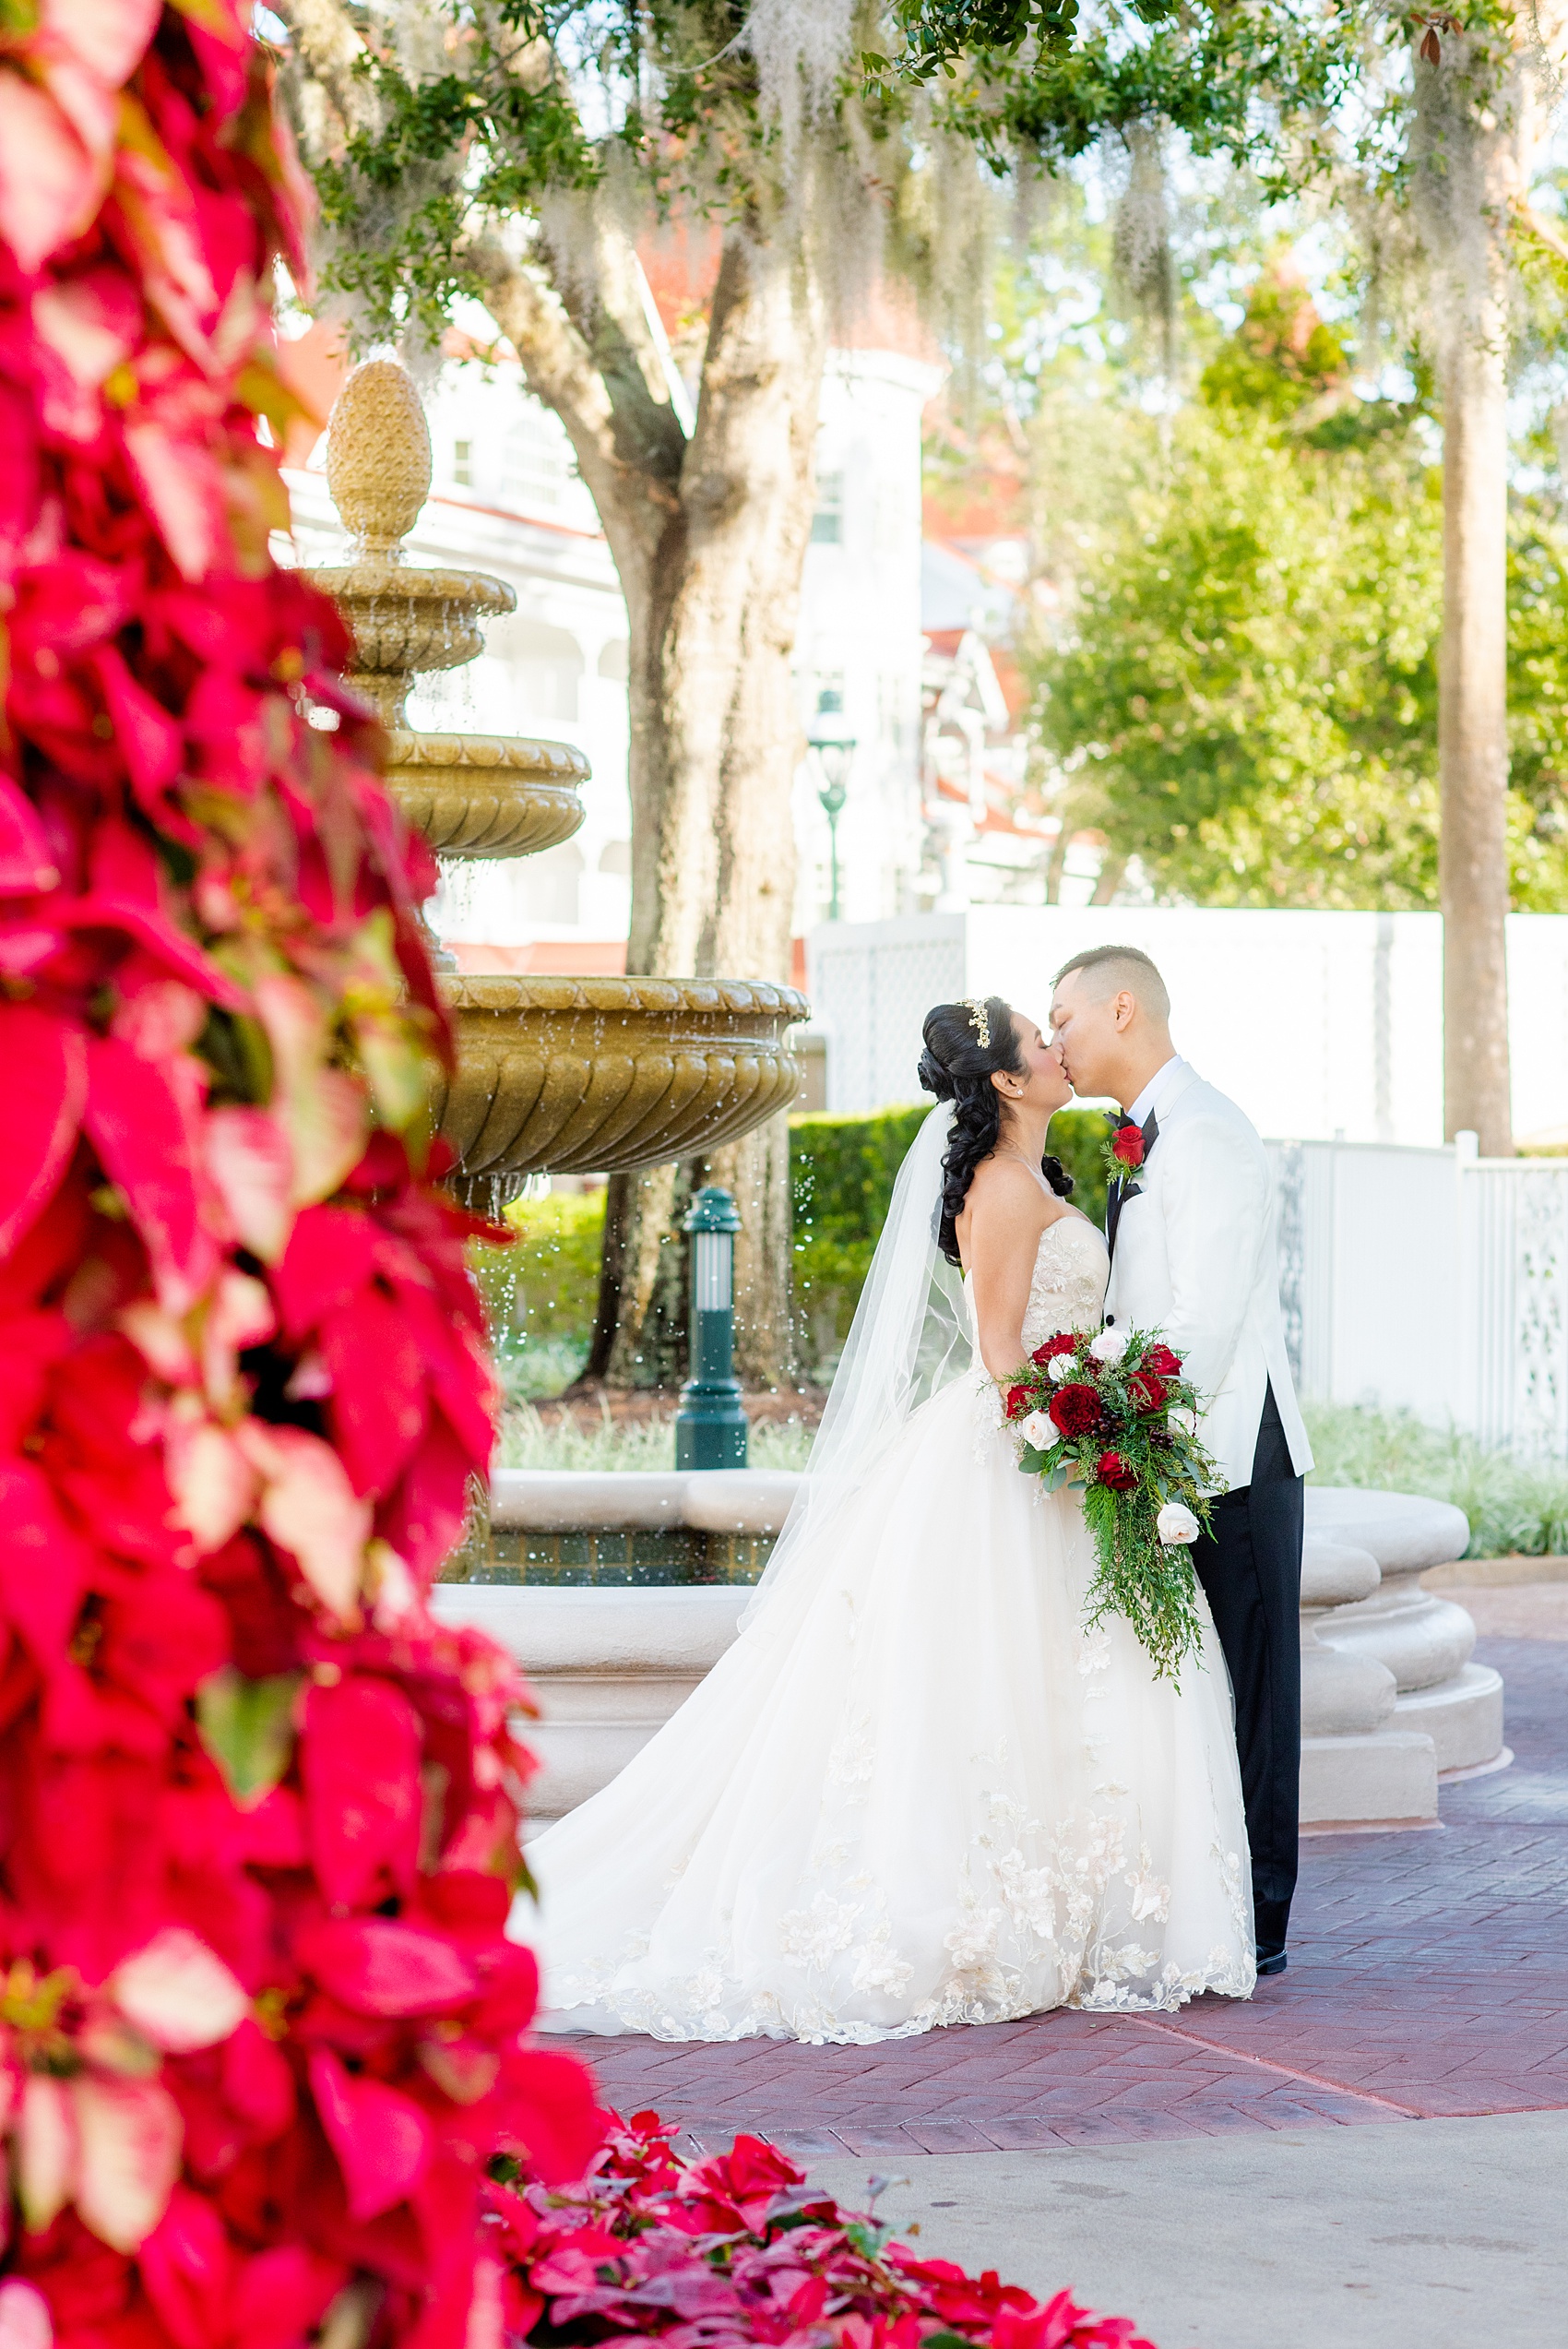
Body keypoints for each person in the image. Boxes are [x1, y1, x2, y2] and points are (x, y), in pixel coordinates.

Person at [519, 997, 1254, 2044]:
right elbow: (1003, 1351)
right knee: (1001, 1682)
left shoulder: (1039, 1177)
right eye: (1038, 1042)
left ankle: (1098, 1909)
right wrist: (1079, 1434)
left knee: (1067, 1679)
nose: (1056, 1049)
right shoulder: (1002, 1190)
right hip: (1017, 1452)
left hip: (1051, 1438)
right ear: (1004, 1080)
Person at [1049, 945, 1311, 1977]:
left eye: (1061, 1013)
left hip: (1230, 1448)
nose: (1054, 1033)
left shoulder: (1206, 1132)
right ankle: (1200, 1893)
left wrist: (1124, 1423)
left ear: (1121, 1007)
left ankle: (1259, 1916)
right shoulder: (1139, 1139)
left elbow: (1208, 1310)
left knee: (1252, 1685)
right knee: (1189, 1690)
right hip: (1166, 1449)